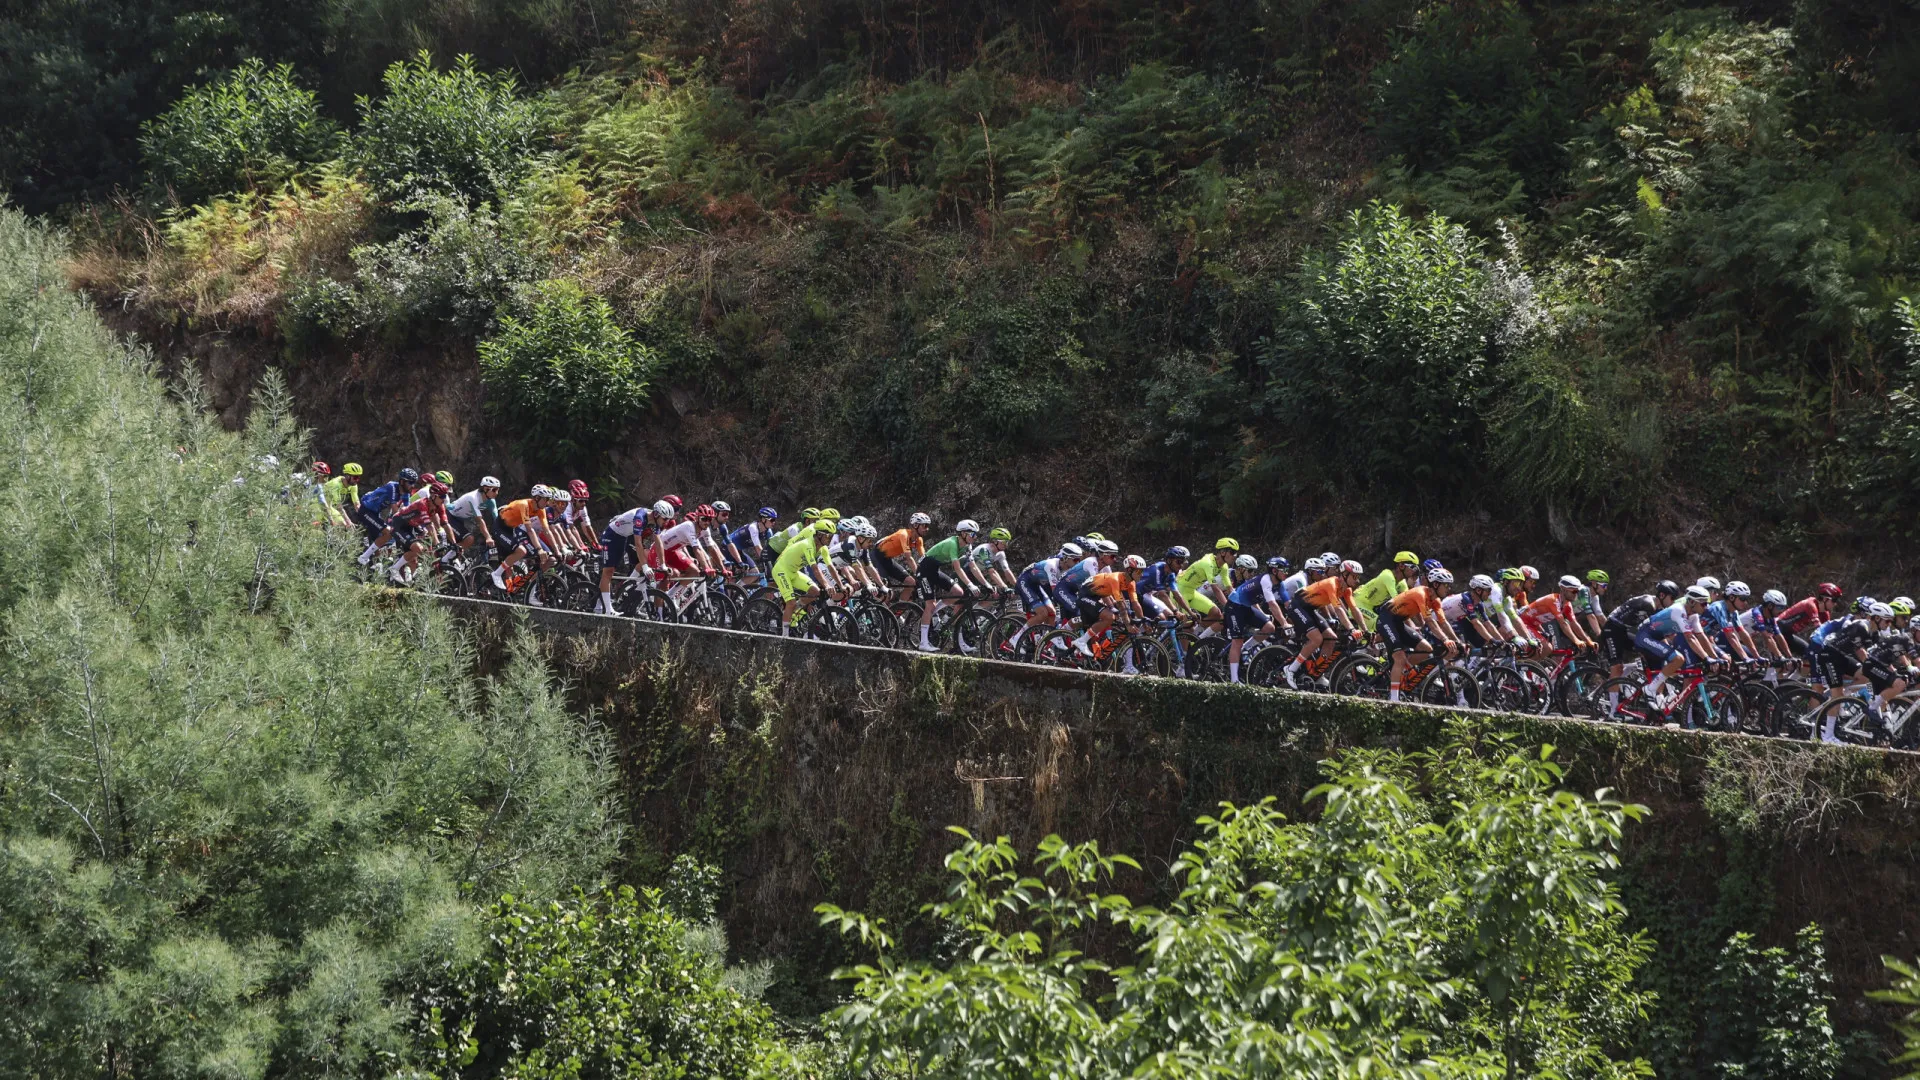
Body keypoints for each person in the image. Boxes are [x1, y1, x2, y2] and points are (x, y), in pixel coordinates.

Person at [1379, 568, 1460, 703]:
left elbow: (1443, 623)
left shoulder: (1436, 601)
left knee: (1427, 649)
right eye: (1446, 585)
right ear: (1435, 585)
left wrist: (1457, 641)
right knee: (1399, 657)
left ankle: (1404, 672)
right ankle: (1393, 699)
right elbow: (1429, 621)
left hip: (1399, 623)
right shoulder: (1420, 593)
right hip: (1386, 619)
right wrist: (1445, 639)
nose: (1448, 588)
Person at [1282, 559, 1365, 689]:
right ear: (1344, 574)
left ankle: (1317, 673)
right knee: (1317, 639)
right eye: (1355, 577)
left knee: (1331, 639)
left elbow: (1355, 610)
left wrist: (1365, 630)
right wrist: (1352, 629)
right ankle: (1291, 669)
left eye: (1358, 577)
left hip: (1310, 609)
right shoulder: (1332, 583)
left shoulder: (1346, 590)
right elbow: (1337, 609)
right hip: (1297, 606)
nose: (1357, 581)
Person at [913, 519, 984, 652]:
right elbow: (957, 568)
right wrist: (970, 584)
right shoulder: (952, 543)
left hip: (934, 571)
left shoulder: (967, 546)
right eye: (973, 535)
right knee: (930, 604)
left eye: (976, 535)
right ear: (963, 533)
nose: (975, 538)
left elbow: (973, 567)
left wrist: (985, 584)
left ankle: (935, 611)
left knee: (959, 592)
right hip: (924, 570)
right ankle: (923, 642)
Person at [1224, 556, 1293, 683]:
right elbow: (1272, 605)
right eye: (1284, 570)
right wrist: (1284, 623)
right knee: (1237, 641)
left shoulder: (1280, 584)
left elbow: (1289, 604)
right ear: (1274, 571)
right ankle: (1234, 680)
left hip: (1247, 607)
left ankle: (1245, 648)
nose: (1287, 573)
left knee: (1269, 627)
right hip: (1234, 606)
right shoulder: (1266, 580)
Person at [491, 486, 564, 596]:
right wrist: (539, 549)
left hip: (512, 529)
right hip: (500, 527)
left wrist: (557, 550)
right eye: (546, 499)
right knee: (521, 551)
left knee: (519, 556)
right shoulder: (524, 505)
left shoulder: (541, 510)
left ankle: (520, 588)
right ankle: (496, 574)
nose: (548, 502)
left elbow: (547, 531)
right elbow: (529, 530)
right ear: (537, 498)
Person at [1600, 580, 1680, 679]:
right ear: (1662, 595)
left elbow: (1658, 634)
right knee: (1617, 668)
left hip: (1627, 631)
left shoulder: (1659, 609)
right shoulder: (1648, 605)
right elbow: (1644, 632)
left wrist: (1667, 650)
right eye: (1672, 598)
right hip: (1613, 630)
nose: (1673, 601)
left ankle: (1628, 681)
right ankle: (1611, 692)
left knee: (1649, 654)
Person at [1071, 555, 1146, 659]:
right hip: (1084, 595)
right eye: (1138, 572)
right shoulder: (1115, 579)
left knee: (1115, 620)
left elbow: (1135, 603)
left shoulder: (1131, 583)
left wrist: (1143, 621)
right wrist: (1128, 625)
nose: (1141, 575)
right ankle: (1081, 641)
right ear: (1129, 570)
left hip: (1095, 597)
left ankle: (1083, 648)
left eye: (1142, 571)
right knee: (1110, 616)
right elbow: (1121, 605)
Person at [773, 519, 842, 633]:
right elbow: (815, 569)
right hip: (781, 570)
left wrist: (841, 585)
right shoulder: (808, 544)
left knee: (815, 592)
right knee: (790, 602)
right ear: (819, 534)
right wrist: (826, 585)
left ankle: (794, 611)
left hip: (794, 572)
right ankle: (784, 637)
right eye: (828, 536)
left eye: (832, 536)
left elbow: (831, 567)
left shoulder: (823, 548)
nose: (830, 539)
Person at [1174, 538, 1240, 638]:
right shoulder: (1208, 563)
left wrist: (1238, 604)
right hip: (1179, 591)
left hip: (1191, 591)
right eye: (1232, 552)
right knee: (1188, 624)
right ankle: (1184, 652)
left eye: (1236, 553)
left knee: (1216, 614)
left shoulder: (1224, 567)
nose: (1235, 556)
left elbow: (1230, 588)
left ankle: (1196, 636)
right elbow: (1216, 589)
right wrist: (1228, 607)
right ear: (1222, 552)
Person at [1353, 551, 1417, 633]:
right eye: (1412, 567)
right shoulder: (1387, 575)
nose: (1414, 571)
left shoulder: (1402, 583)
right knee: (1382, 625)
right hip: (1358, 603)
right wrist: (1411, 625)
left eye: (1416, 568)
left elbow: (1408, 603)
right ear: (1401, 565)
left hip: (1370, 607)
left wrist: (1417, 626)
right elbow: (1398, 601)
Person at [445, 476, 502, 559]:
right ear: (485, 489)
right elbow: (479, 521)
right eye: (494, 490)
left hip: (460, 520)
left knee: (461, 549)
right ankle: (445, 559)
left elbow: (496, 519)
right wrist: (488, 537)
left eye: (497, 490)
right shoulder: (473, 498)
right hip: (450, 516)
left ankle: (451, 558)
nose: (497, 493)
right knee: (469, 539)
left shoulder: (491, 501)